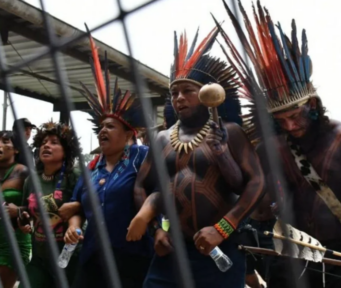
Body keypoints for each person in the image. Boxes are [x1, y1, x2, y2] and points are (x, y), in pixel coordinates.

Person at [217, 1, 341, 287]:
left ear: (313, 104)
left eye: (295, 116)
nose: (290, 126)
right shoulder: (272, 148)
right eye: (281, 120)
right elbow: (251, 194)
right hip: (292, 253)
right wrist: (223, 157)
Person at [127, 27, 265, 288]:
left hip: (219, 249)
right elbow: (141, 186)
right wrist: (157, 228)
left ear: (206, 95)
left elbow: (256, 182)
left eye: (188, 91)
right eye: (174, 93)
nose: (179, 98)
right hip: (170, 251)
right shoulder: (161, 139)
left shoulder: (230, 132)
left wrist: (223, 228)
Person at [64, 32, 152, 288]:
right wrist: (73, 225)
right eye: (100, 127)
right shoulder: (91, 168)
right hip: (93, 256)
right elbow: (76, 206)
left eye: (111, 126)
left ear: (128, 134)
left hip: (134, 256)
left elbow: (162, 195)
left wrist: (146, 220)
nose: (103, 130)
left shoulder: (141, 157)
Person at [17, 121, 81, 288]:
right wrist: (23, 218)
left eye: (54, 142)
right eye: (43, 143)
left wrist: (77, 207)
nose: (46, 146)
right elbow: (26, 210)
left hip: (69, 260)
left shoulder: (75, 176)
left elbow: (90, 205)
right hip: (39, 260)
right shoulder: (31, 180)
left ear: (66, 150)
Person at [0, 130, 30, 288]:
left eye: (5, 141)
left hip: (13, 239)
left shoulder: (23, 172)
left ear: (16, 149)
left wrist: (18, 210)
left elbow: (36, 205)